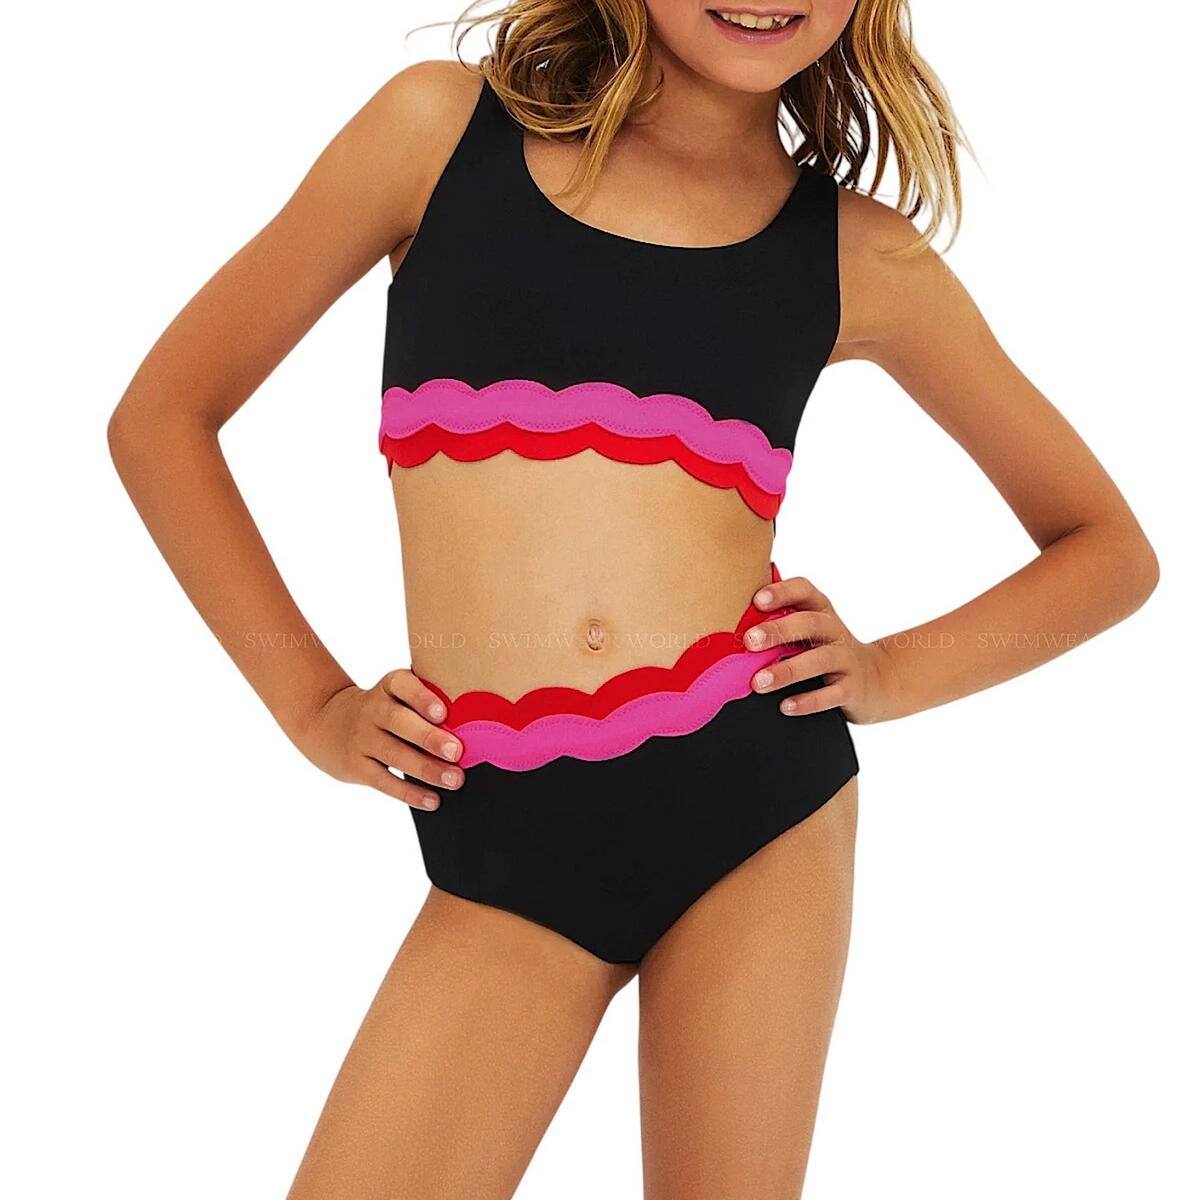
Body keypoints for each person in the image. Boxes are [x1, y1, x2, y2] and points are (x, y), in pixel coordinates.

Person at [107, 2, 1159, 1197]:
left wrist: (888, 673)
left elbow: (1107, 549)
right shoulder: (436, 137)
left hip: (755, 818)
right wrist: (313, 706)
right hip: (503, 839)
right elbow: (163, 418)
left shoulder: (858, 255)